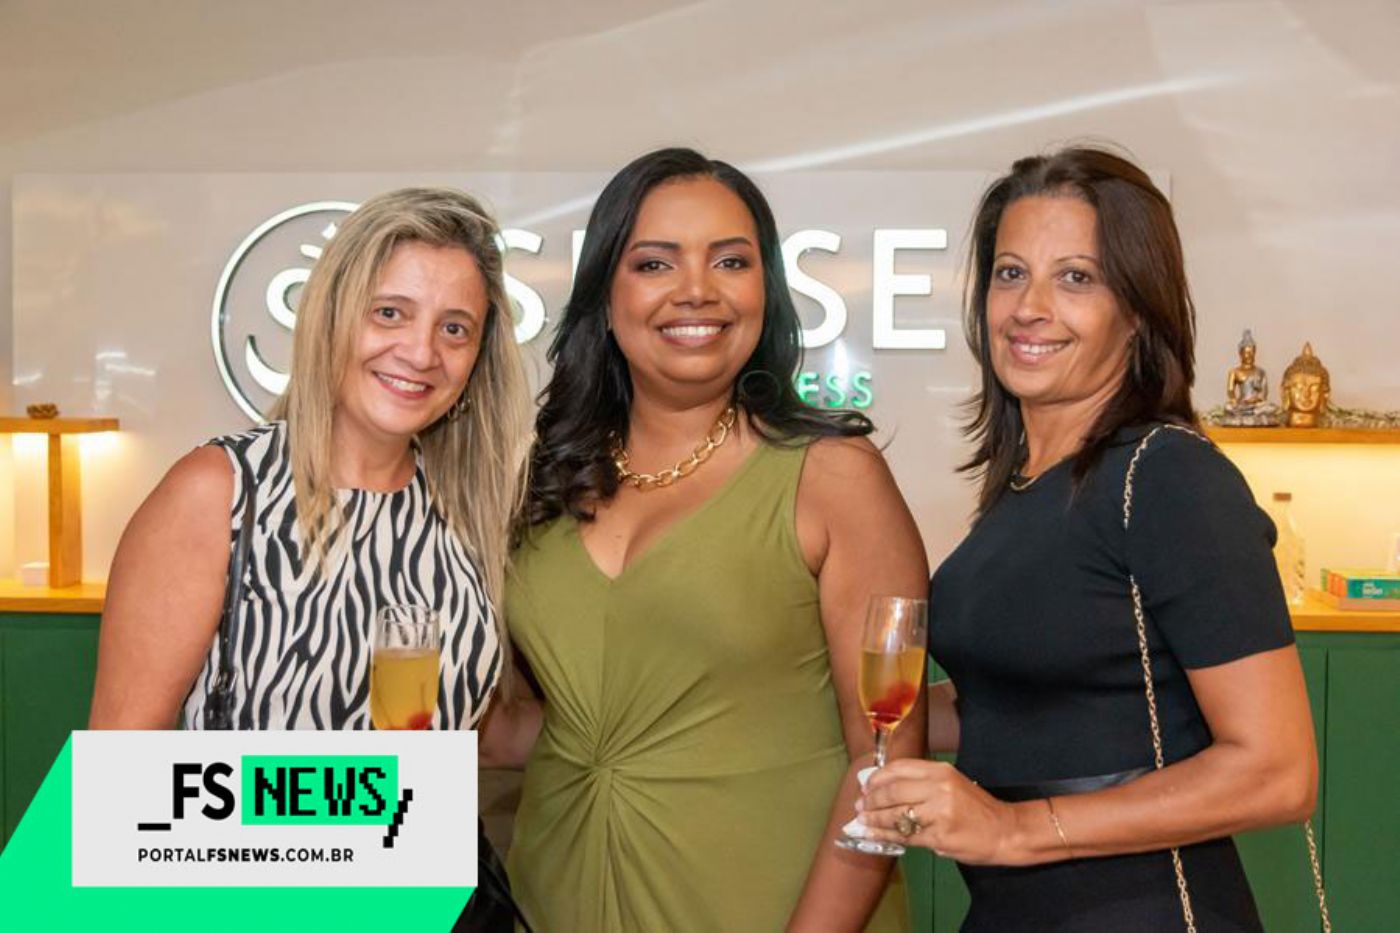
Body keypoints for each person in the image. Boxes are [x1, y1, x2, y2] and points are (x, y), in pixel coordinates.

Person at [853, 148, 1318, 931]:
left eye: (1076, 277)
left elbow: (1278, 772)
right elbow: (1029, 704)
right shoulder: (1031, 486)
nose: (1029, 307)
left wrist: (1012, 828)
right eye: (1010, 273)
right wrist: (838, 703)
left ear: (1137, 310)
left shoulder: (1168, 476)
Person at [503, 147, 927, 932]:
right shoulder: (543, 485)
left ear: (767, 290)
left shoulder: (833, 476)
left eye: (730, 260)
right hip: (552, 892)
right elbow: (542, 722)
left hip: (774, 904)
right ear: (605, 295)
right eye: (654, 263)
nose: (696, 289)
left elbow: (887, 762)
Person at [88, 186, 532, 736]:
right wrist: (360, 784)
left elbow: (474, 733)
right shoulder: (222, 490)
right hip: (254, 804)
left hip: (431, 803)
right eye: (389, 313)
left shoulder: (466, 512)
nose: (422, 353)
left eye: (454, 329)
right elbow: (114, 760)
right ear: (330, 318)